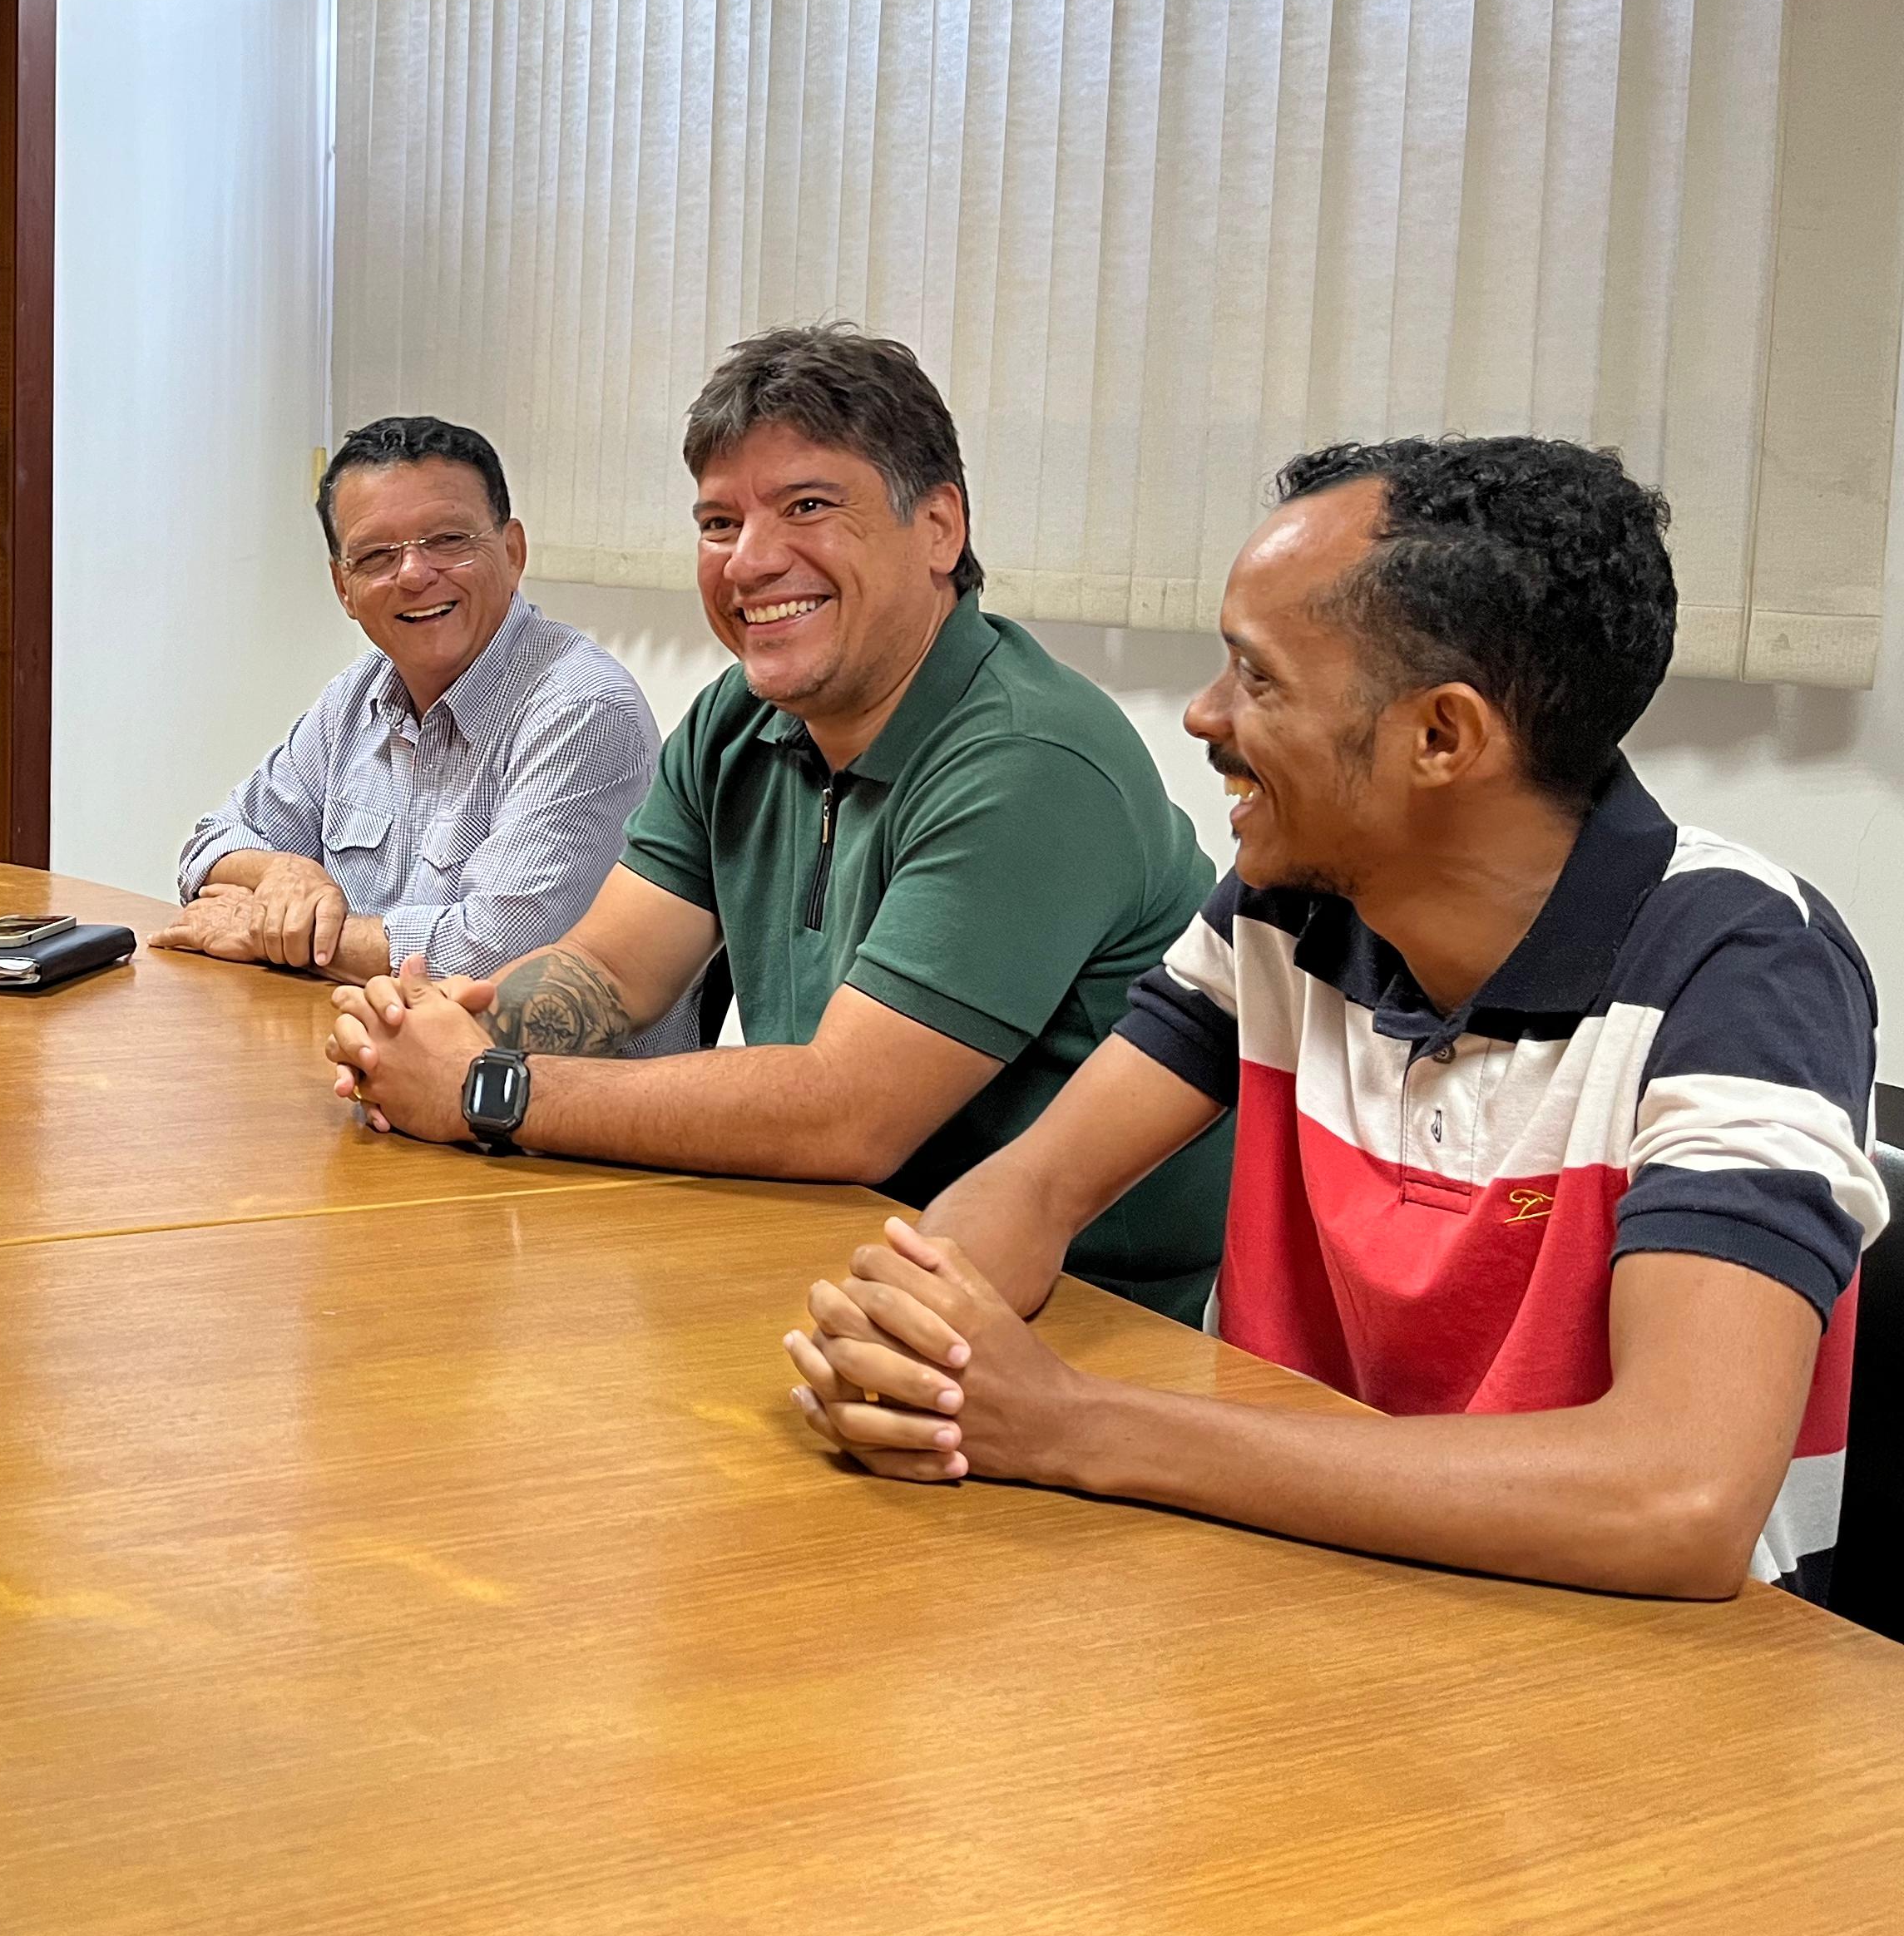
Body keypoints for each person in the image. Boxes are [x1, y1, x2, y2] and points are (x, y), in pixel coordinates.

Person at [784, 437, 1886, 1599]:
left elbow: (1677, 1498)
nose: (1205, 717)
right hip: (1289, 1585)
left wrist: (1073, 1427)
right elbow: (1039, 1188)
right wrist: (925, 1338)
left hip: (1627, 1689)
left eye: (1256, 679)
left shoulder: (1746, 967)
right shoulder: (1289, 904)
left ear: (1442, 739)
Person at [324, 326, 1231, 1321]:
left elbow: (849, 1113)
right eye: (719, 523)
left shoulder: (1029, 759)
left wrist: (487, 1090)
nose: (751, 561)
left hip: (1082, 1311)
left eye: (807, 506)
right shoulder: (740, 718)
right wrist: (434, 1031)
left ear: (940, 527)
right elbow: (614, 971)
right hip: (827, 1240)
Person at [157, 415, 685, 1040]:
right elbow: (210, 843)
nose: (412, 574)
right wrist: (278, 875)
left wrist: (282, 936)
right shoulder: (357, 696)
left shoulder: (582, 711)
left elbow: (493, 959)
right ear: (343, 587)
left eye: (447, 540)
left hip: (543, 1111)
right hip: (371, 1065)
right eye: (377, 555)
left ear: (513, 552)